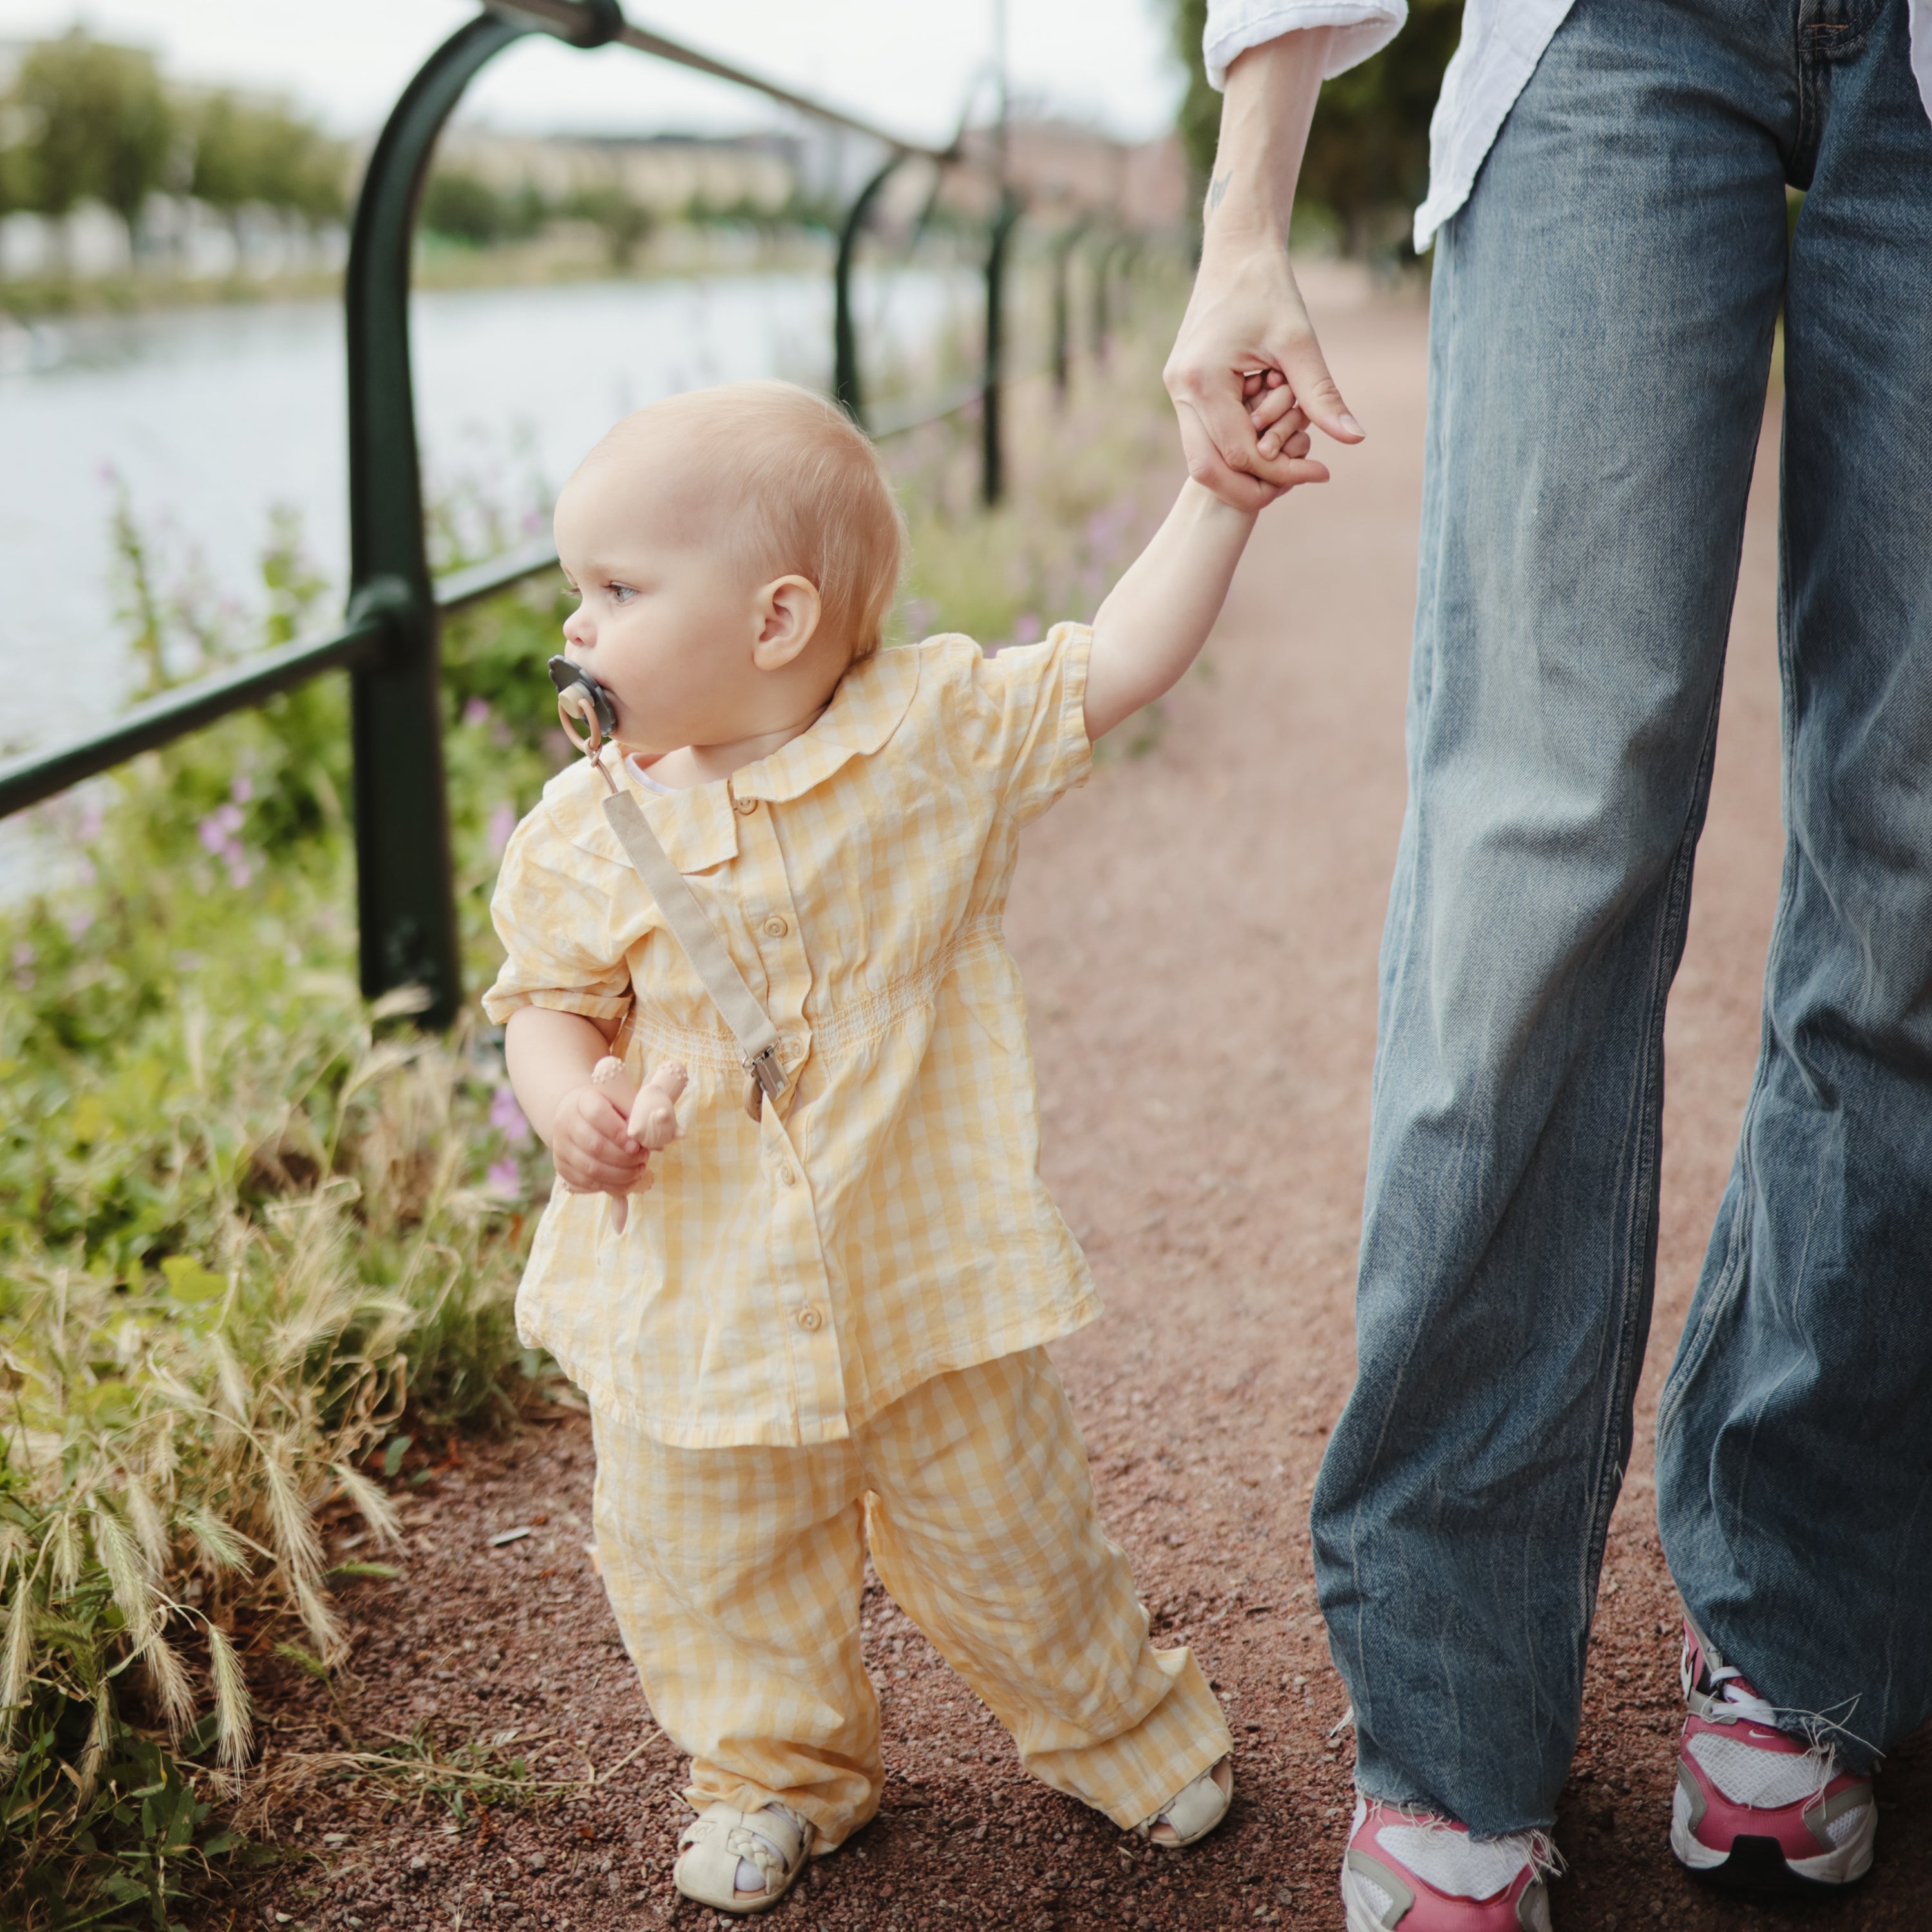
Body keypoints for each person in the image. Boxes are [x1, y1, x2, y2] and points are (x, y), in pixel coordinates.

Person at [1166, 1, 1932, 1926]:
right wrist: (1246, 211)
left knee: (1917, 877)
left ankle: (1803, 1625)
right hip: (1612, 37)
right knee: (1538, 845)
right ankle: (1449, 1706)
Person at [482, 380, 1311, 1916]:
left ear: (778, 616)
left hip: (921, 1277)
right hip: (700, 1298)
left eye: (616, 591)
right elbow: (546, 1005)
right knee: (715, 1566)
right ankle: (773, 1774)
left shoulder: (927, 736)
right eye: (571, 594)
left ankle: (1119, 1727)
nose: (577, 632)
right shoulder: (580, 834)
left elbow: (1116, 662)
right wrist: (568, 1104)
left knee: (1015, 1534)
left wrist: (1220, 500)